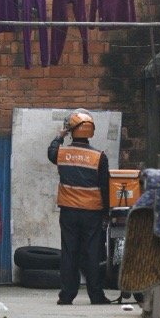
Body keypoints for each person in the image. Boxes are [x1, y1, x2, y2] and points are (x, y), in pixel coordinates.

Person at [47, 109, 112, 306]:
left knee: (69, 252)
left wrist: (60, 135)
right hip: (92, 213)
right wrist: (107, 212)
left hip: (69, 212)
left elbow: (50, 152)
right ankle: (96, 296)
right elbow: (105, 187)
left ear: (73, 130)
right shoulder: (99, 157)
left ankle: (66, 296)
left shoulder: (62, 153)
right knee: (92, 253)